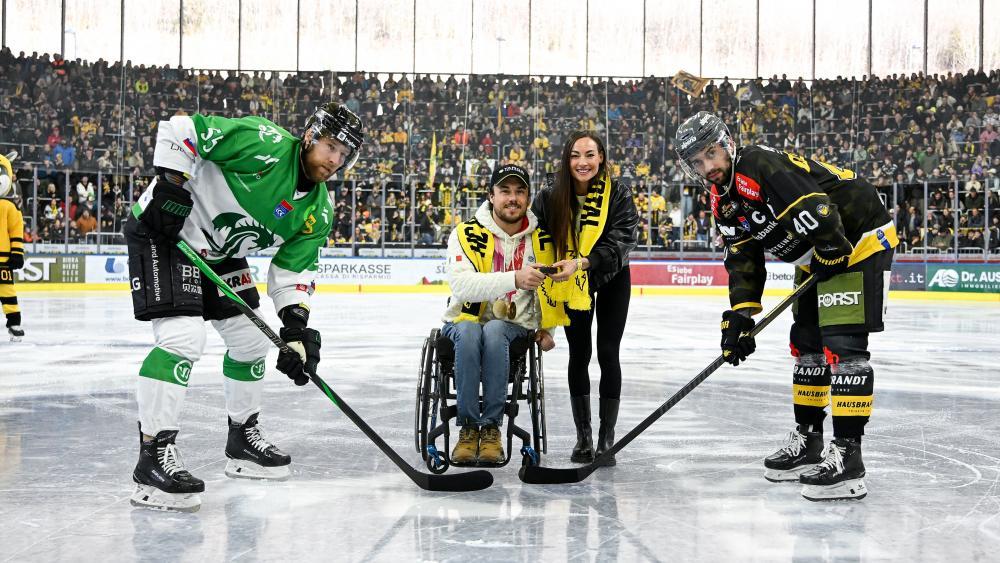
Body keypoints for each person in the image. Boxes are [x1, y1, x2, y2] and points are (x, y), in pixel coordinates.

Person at [124, 102, 364, 511]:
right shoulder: (263, 143)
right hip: (166, 234)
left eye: (345, 154)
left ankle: (241, 440)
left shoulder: (318, 211)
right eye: (330, 146)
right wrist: (170, 182)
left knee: (252, 341)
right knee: (183, 338)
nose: (335, 160)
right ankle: (153, 456)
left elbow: (293, 272)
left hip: (218, 254)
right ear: (309, 136)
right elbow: (182, 128)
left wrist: (296, 331)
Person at [673, 111, 898, 501]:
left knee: (843, 346)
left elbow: (817, 206)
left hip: (856, 243)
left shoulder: (759, 164)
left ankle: (848, 457)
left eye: (711, 154)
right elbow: (743, 259)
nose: (707, 167)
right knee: (806, 345)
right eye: (697, 161)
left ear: (726, 144)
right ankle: (809, 441)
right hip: (820, 254)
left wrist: (830, 246)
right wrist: (740, 317)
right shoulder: (722, 200)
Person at [531, 131, 639, 466]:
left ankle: (606, 439)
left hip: (610, 277)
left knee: (608, 352)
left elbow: (624, 239)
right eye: (576, 155)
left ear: (602, 158)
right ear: (566, 159)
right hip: (567, 281)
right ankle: (584, 438)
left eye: (590, 155)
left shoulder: (618, 192)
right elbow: (536, 236)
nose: (583, 162)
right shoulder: (549, 195)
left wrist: (584, 262)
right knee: (579, 353)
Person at [442, 164, 557, 465]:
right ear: (491, 196)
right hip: (463, 322)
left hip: (514, 328)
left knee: (494, 330)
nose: (512, 198)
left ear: (529, 198)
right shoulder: (465, 234)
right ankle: (468, 429)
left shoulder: (542, 240)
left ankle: (490, 428)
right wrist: (514, 279)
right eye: (504, 191)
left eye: (520, 191)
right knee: (470, 330)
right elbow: (463, 286)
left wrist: (549, 329)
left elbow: (553, 290)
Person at [0, 152, 25, 341]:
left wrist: (17, 253)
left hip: (3, 261)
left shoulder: (9, 208)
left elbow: (16, 231)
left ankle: (14, 323)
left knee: (7, 291)